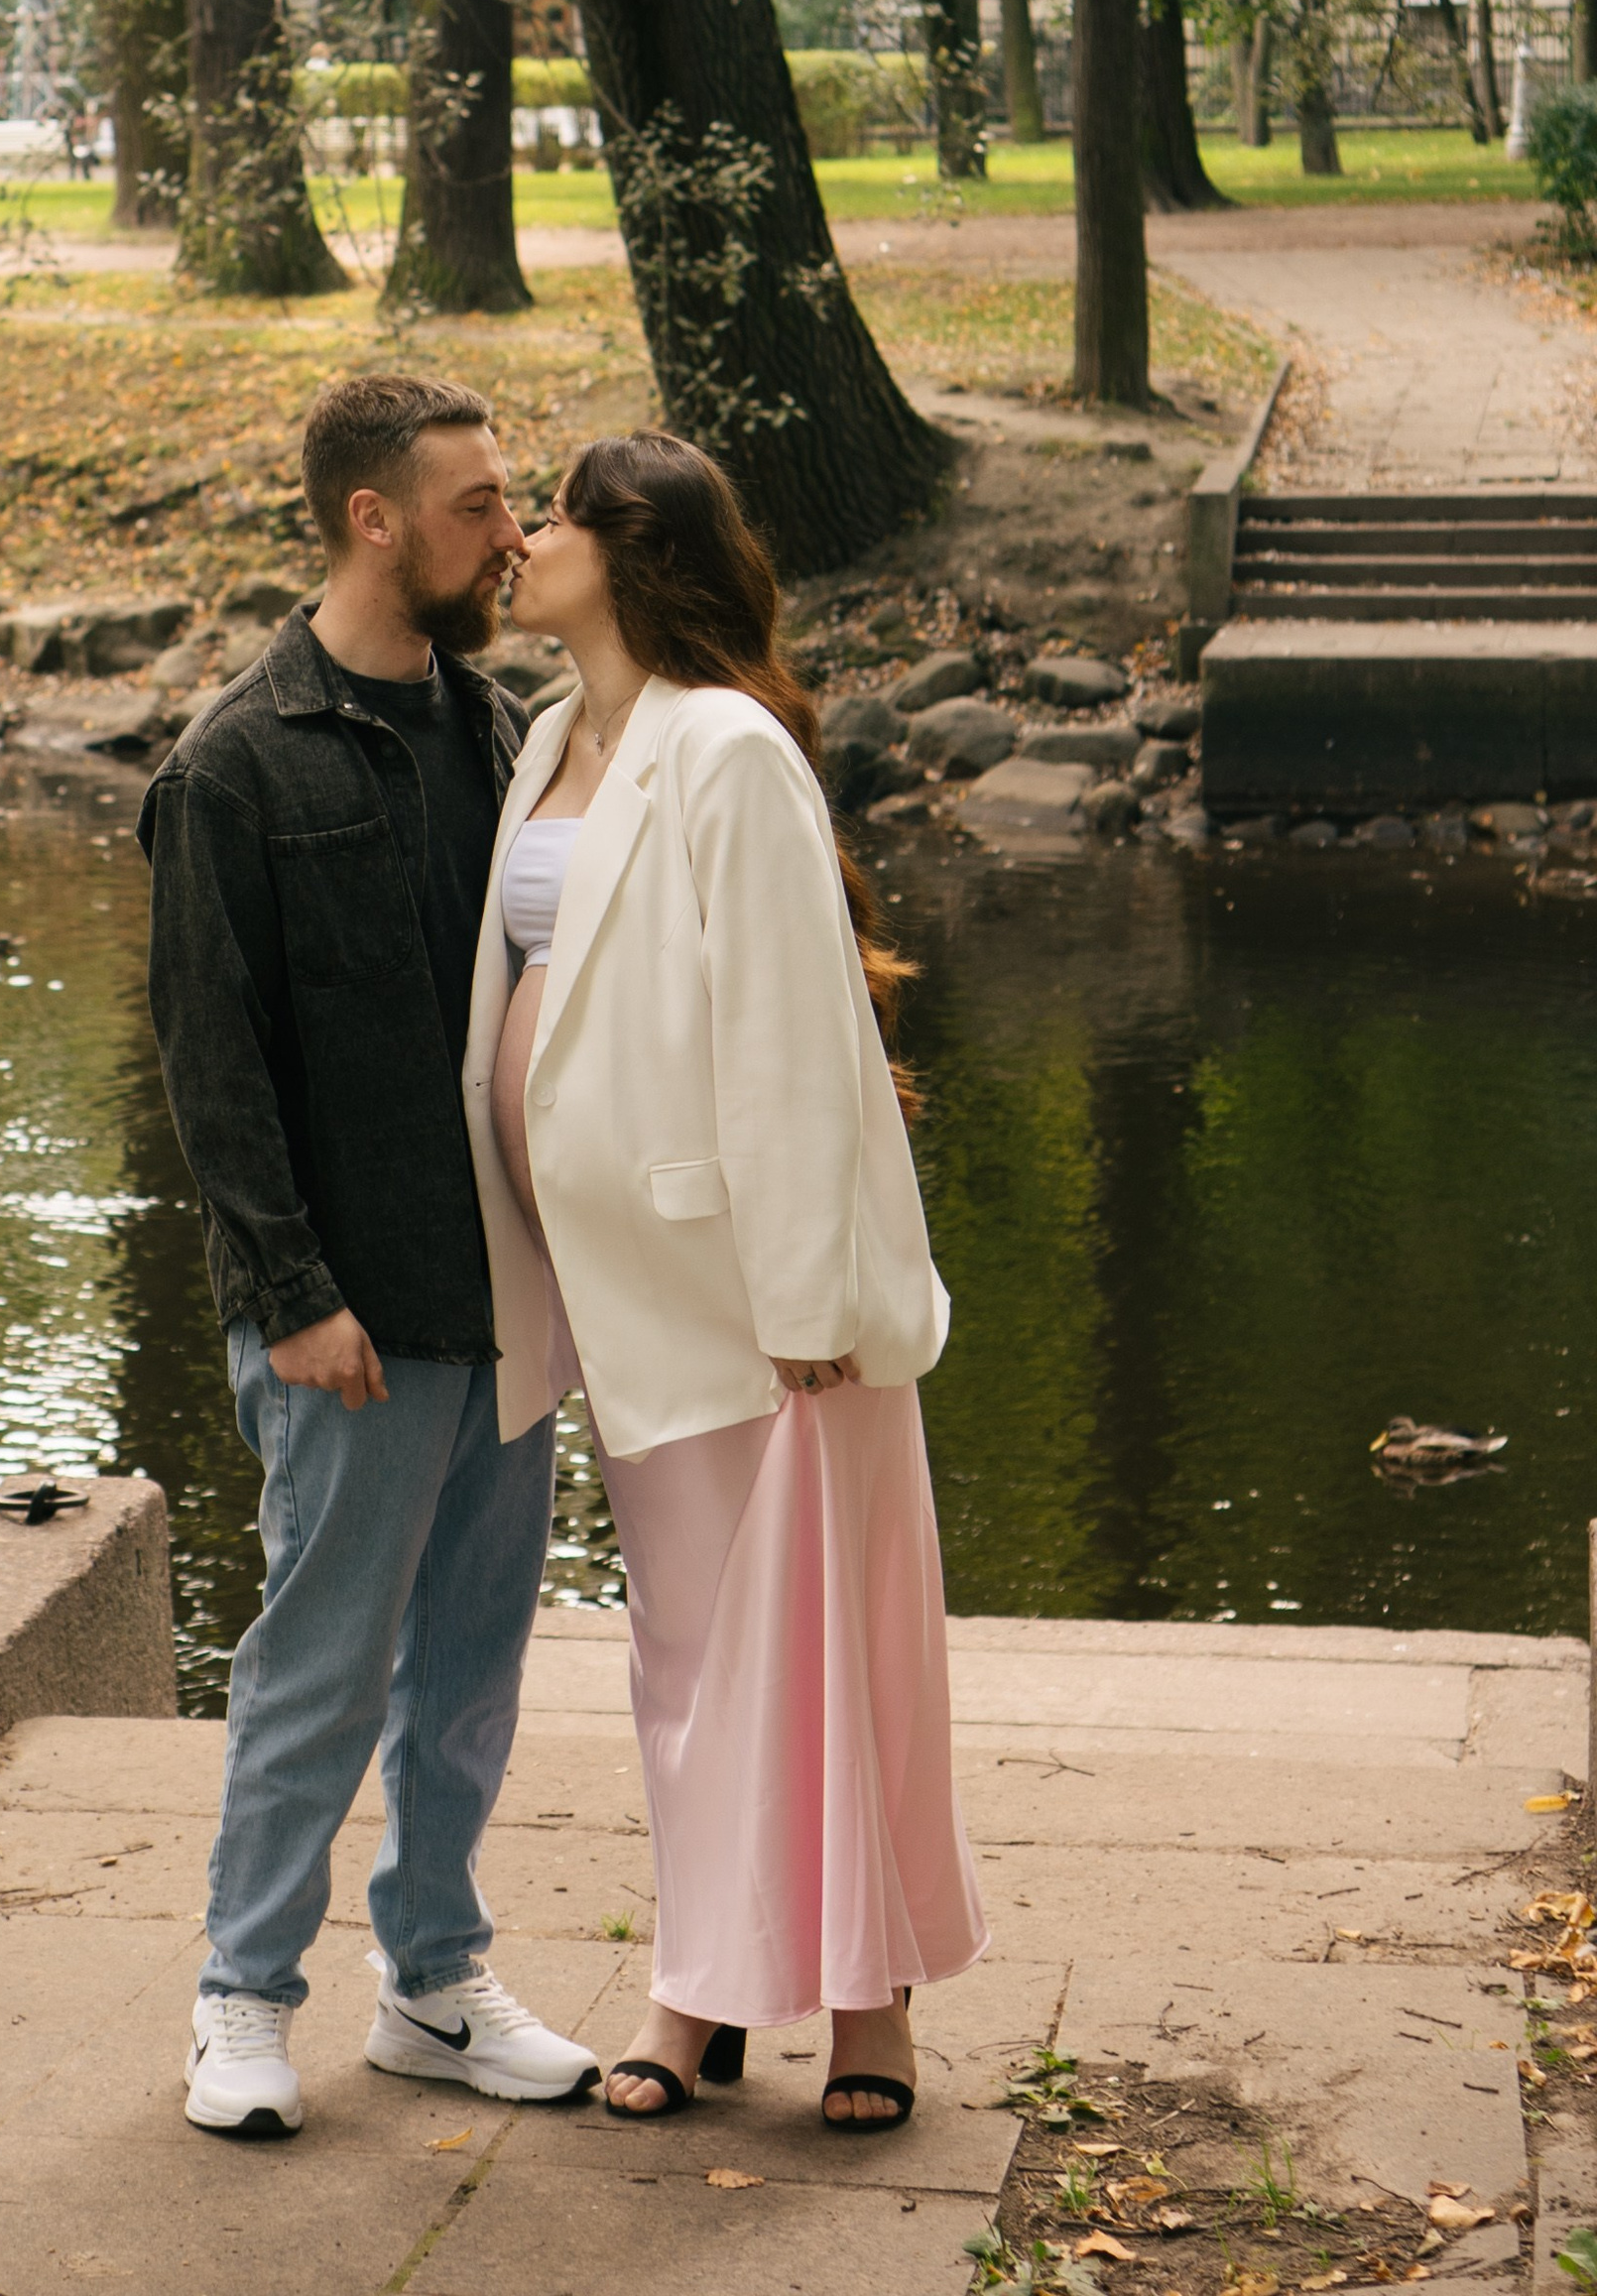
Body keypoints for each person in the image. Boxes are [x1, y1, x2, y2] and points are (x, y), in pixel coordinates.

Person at [462, 429, 986, 2131]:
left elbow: (789, 1034)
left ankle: (866, 2008)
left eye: (552, 517)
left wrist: (810, 1301)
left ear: (631, 550)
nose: (523, 539)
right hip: (613, 1290)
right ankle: (708, 1976)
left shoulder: (729, 747)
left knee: (819, 1649)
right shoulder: (552, 734)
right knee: (684, 1659)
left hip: (758, 1307)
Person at [139, 372, 601, 2139]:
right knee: (319, 1672)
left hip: (506, 1305)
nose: (513, 528)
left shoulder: (501, 735)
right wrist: (294, 1297)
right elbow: (214, 1067)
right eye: (481, 503)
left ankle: (432, 1986)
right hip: (350, 1322)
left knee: (472, 1671)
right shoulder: (233, 765)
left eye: (509, 499)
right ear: (373, 519)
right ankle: (242, 2000)